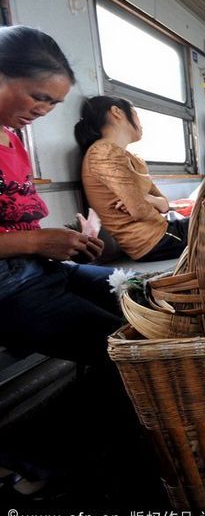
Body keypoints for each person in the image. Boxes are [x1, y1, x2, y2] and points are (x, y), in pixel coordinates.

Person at [0, 26, 120, 365]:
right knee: (125, 349)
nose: (44, 110)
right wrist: (38, 242)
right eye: (38, 96)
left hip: (40, 269)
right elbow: (29, 239)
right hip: (8, 288)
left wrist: (68, 245)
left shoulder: (13, 140)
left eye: (54, 103)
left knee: (140, 294)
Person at [76, 95, 188, 262]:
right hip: (153, 242)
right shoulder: (103, 152)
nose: (140, 123)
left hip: (165, 231)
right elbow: (139, 210)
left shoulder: (132, 158)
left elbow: (164, 205)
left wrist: (149, 199)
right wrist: (146, 202)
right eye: (136, 114)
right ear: (116, 112)